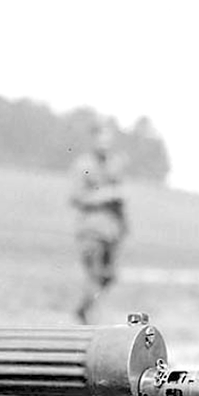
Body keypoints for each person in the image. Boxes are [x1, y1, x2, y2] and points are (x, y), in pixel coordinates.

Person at [71, 121, 128, 323]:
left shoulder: (115, 164)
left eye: (108, 141)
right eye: (101, 140)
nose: (105, 145)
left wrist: (123, 226)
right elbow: (77, 197)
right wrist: (105, 195)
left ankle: (84, 310)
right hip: (91, 230)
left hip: (111, 232)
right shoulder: (84, 165)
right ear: (93, 140)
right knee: (94, 276)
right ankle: (89, 320)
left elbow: (120, 196)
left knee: (109, 277)